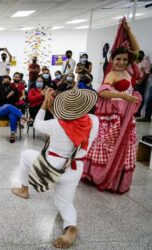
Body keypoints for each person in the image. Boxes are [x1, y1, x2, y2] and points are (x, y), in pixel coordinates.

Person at [11, 88, 99, 249]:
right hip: (74, 168)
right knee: (65, 203)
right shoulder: (94, 121)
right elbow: (70, 120)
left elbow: (37, 124)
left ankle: (24, 190)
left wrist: (45, 103)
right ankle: (70, 227)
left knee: (25, 155)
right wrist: (53, 108)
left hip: (50, 166)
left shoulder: (55, 124)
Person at [82, 19, 142, 194]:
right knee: (108, 146)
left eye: (124, 59)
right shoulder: (112, 74)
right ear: (112, 60)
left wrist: (128, 30)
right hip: (113, 118)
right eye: (118, 59)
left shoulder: (129, 70)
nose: (122, 62)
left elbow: (137, 51)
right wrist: (122, 95)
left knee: (126, 147)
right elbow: (102, 92)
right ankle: (101, 176)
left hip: (127, 117)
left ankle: (117, 180)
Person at [0, 75, 23, 143]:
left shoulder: (14, 89)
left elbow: (17, 99)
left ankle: (13, 133)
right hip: (1, 109)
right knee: (8, 106)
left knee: (12, 115)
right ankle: (24, 117)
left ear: (10, 81)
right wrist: (8, 96)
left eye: (8, 80)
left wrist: (12, 96)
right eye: (4, 80)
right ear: (2, 82)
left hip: (12, 109)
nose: (6, 81)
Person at [136, 51, 152, 120]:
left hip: (140, 82)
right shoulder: (137, 62)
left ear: (143, 55)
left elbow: (147, 73)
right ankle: (136, 111)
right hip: (134, 82)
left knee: (141, 97)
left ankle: (140, 112)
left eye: (140, 55)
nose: (138, 56)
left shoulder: (145, 62)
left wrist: (141, 81)